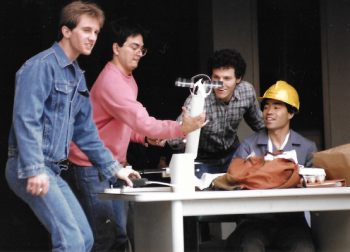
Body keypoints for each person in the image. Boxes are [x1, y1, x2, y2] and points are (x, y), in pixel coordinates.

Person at [5, 2, 141, 251]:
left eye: (96, 32)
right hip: (29, 165)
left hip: (52, 170)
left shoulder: (76, 76)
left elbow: (87, 133)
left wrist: (114, 169)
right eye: (86, 30)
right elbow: (26, 119)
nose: (92, 38)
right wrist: (35, 169)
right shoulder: (41, 66)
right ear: (66, 31)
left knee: (85, 239)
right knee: (71, 242)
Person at [66, 18, 207, 252]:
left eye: (142, 48)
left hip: (112, 166)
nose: (139, 53)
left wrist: (143, 137)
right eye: (133, 47)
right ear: (116, 48)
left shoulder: (127, 79)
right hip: (90, 166)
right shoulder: (113, 82)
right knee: (104, 238)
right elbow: (142, 121)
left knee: (119, 238)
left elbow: (121, 123)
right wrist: (181, 128)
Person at [226, 81, 316, 252]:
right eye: (266, 107)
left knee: (304, 248)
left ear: (291, 113)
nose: (269, 112)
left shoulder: (307, 147)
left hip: (291, 221)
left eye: (277, 107)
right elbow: (234, 182)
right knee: (251, 246)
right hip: (254, 222)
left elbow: (314, 186)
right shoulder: (248, 145)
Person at [167, 49, 265, 179]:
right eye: (216, 78)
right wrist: (177, 133)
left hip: (232, 155)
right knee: (202, 196)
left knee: (237, 192)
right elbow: (174, 139)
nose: (220, 84)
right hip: (203, 158)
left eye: (227, 78)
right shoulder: (198, 98)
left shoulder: (246, 91)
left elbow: (259, 125)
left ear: (238, 78)